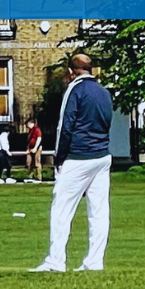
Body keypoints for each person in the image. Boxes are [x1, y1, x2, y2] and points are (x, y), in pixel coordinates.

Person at [32, 53, 113, 273]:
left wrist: (59, 158)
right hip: (102, 156)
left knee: (62, 210)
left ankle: (56, 261)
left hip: (78, 156)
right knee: (98, 211)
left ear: (71, 72)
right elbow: (107, 122)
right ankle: (95, 261)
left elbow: (65, 126)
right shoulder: (104, 92)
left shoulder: (74, 90)